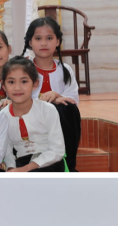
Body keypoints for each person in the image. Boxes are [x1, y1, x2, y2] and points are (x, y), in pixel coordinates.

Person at [23, 17, 81, 172]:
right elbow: (19, 97)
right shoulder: (23, 68)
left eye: (49, 38)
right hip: (31, 121)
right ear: (30, 42)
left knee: (67, 108)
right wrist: (44, 101)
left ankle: (69, 165)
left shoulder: (65, 69)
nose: (43, 43)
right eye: (38, 38)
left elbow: (73, 100)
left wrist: (56, 95)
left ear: (58, 41)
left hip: (60, 122)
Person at [2, 56, 67, 172]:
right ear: (4, 86)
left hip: (49, 163)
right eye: (11, 82)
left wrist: (25, 169)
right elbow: (6, 151)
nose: (17, 88)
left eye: (24, 81)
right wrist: (11, 169)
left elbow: (57, 150)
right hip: (21, 163)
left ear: (35, 84)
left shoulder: (48, 110)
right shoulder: (2, 116)